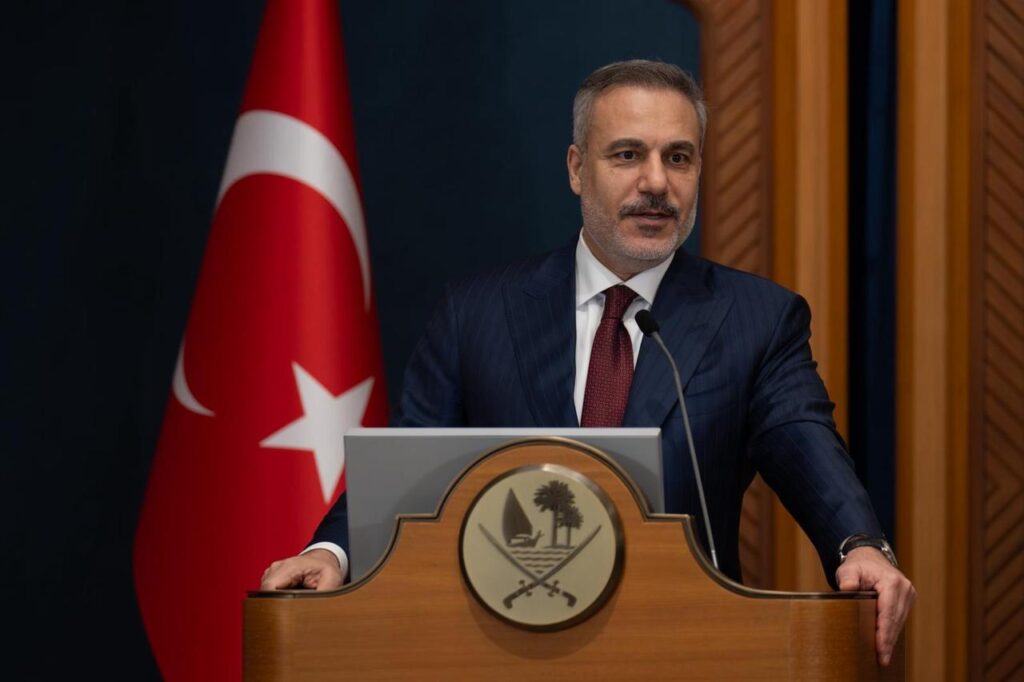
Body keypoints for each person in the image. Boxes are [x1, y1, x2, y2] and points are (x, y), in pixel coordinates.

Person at [261, 60, 915, 666]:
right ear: (577, 168)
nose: (656, 182)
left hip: (680, 656)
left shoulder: (756, 319)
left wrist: (860, 545)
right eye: (627, 154)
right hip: (497, 651)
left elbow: (805, 444)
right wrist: (333, 551)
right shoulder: (477, 312)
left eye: (678, 158)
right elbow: (410, 461)